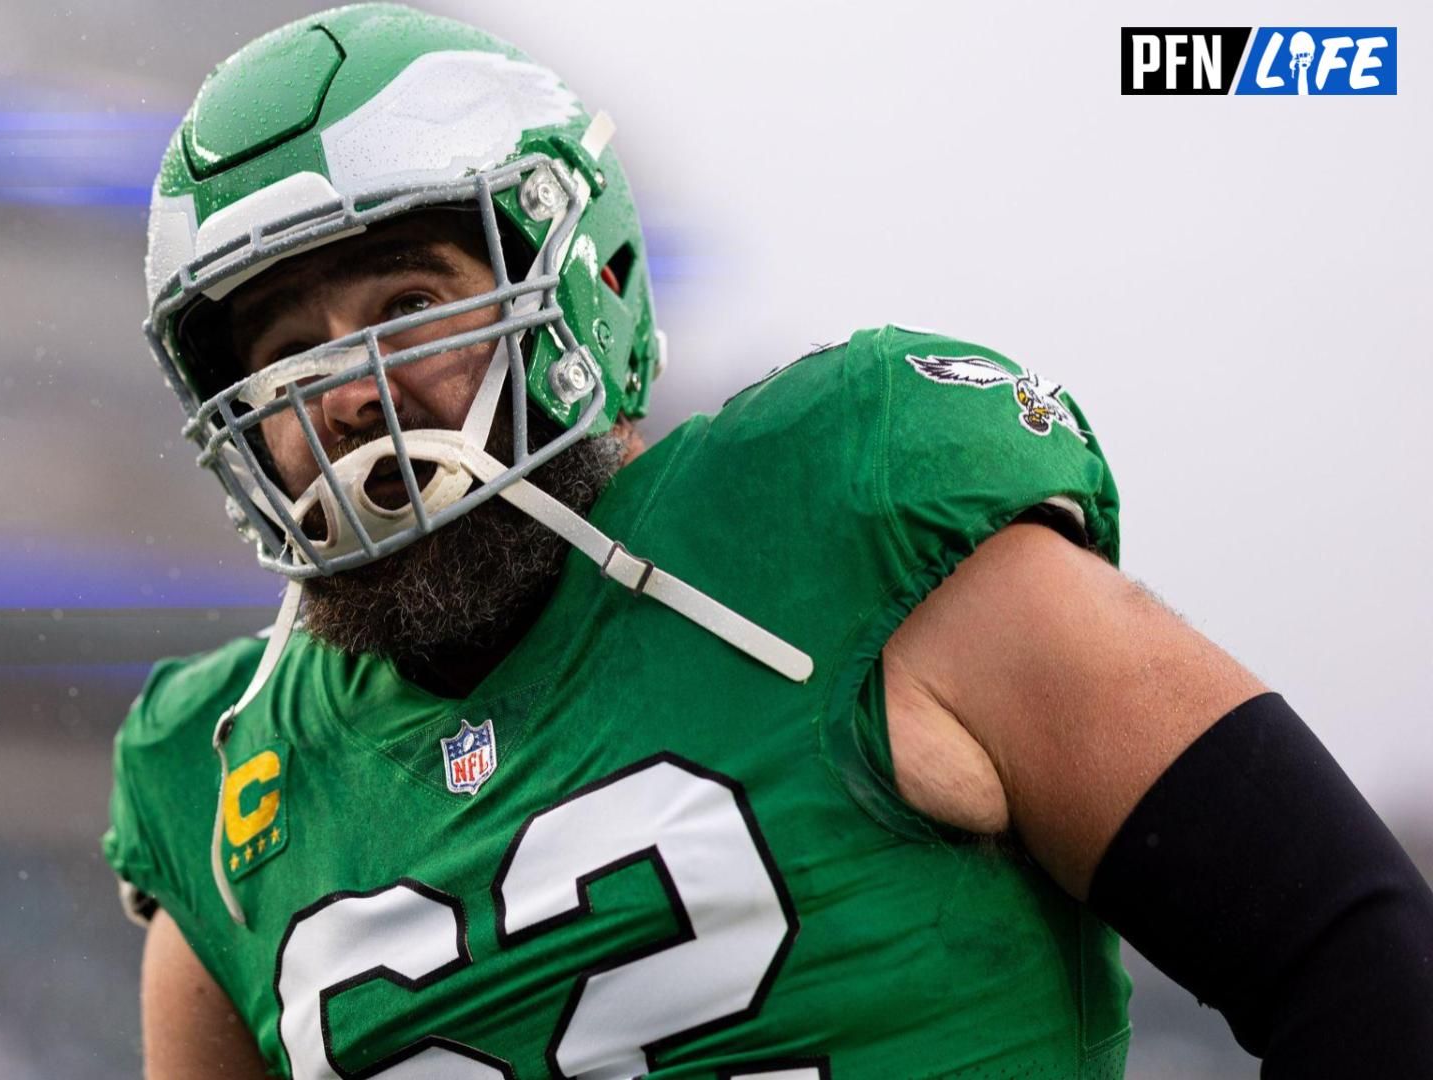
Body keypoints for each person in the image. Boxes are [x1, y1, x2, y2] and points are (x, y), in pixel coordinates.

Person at [102, 6, 1433, 1077]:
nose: (351, 393)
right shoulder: (222, 770)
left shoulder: (841, 522)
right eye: (289, 354)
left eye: (412, 301)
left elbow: (1357, 960)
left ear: (587, 287)